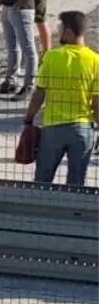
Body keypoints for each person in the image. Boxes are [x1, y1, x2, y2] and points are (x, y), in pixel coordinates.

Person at [23, 11, 99, 186]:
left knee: (42, 180)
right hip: (82, 129)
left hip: (53, 128)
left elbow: (39, 94)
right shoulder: (95, 60)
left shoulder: (52, 57)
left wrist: (29, 119)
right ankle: (70, 212)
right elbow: (96, 103)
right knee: (76, 182)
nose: (58, 30)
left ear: (69, 31)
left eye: (60, 27)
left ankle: (38, 209)